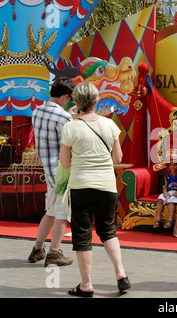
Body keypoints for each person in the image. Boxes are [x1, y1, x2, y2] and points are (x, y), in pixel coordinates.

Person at [59, 81, 130, 297]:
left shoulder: (70, 127)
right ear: (97, 100)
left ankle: (86, 284)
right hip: (107, 185)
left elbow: (65, 163)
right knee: (108, 229)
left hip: (81, 185)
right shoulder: (109, 125)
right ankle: (121, 275)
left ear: (77, 102)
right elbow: (118, 158)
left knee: (82, 235)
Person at [28, 77, 75, 267]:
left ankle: (38, 249)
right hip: (62, 172)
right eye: (70, 98)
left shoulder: (37, 110)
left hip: (48, 171)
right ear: (65, 96)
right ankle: (54, 253)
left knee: (51, 212)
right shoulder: (64, 117)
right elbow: (70, 144)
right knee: (62, 215)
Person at [153, 158, 177, 231]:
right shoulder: (167, 175)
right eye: (171, 165)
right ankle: (159, 219)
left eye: (174, 165)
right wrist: (164, 191)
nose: (173, 167)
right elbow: (166, 186)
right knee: (160, 199)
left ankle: (170, 220)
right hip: (169, 191)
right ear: (168, 166)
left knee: (171, 201)